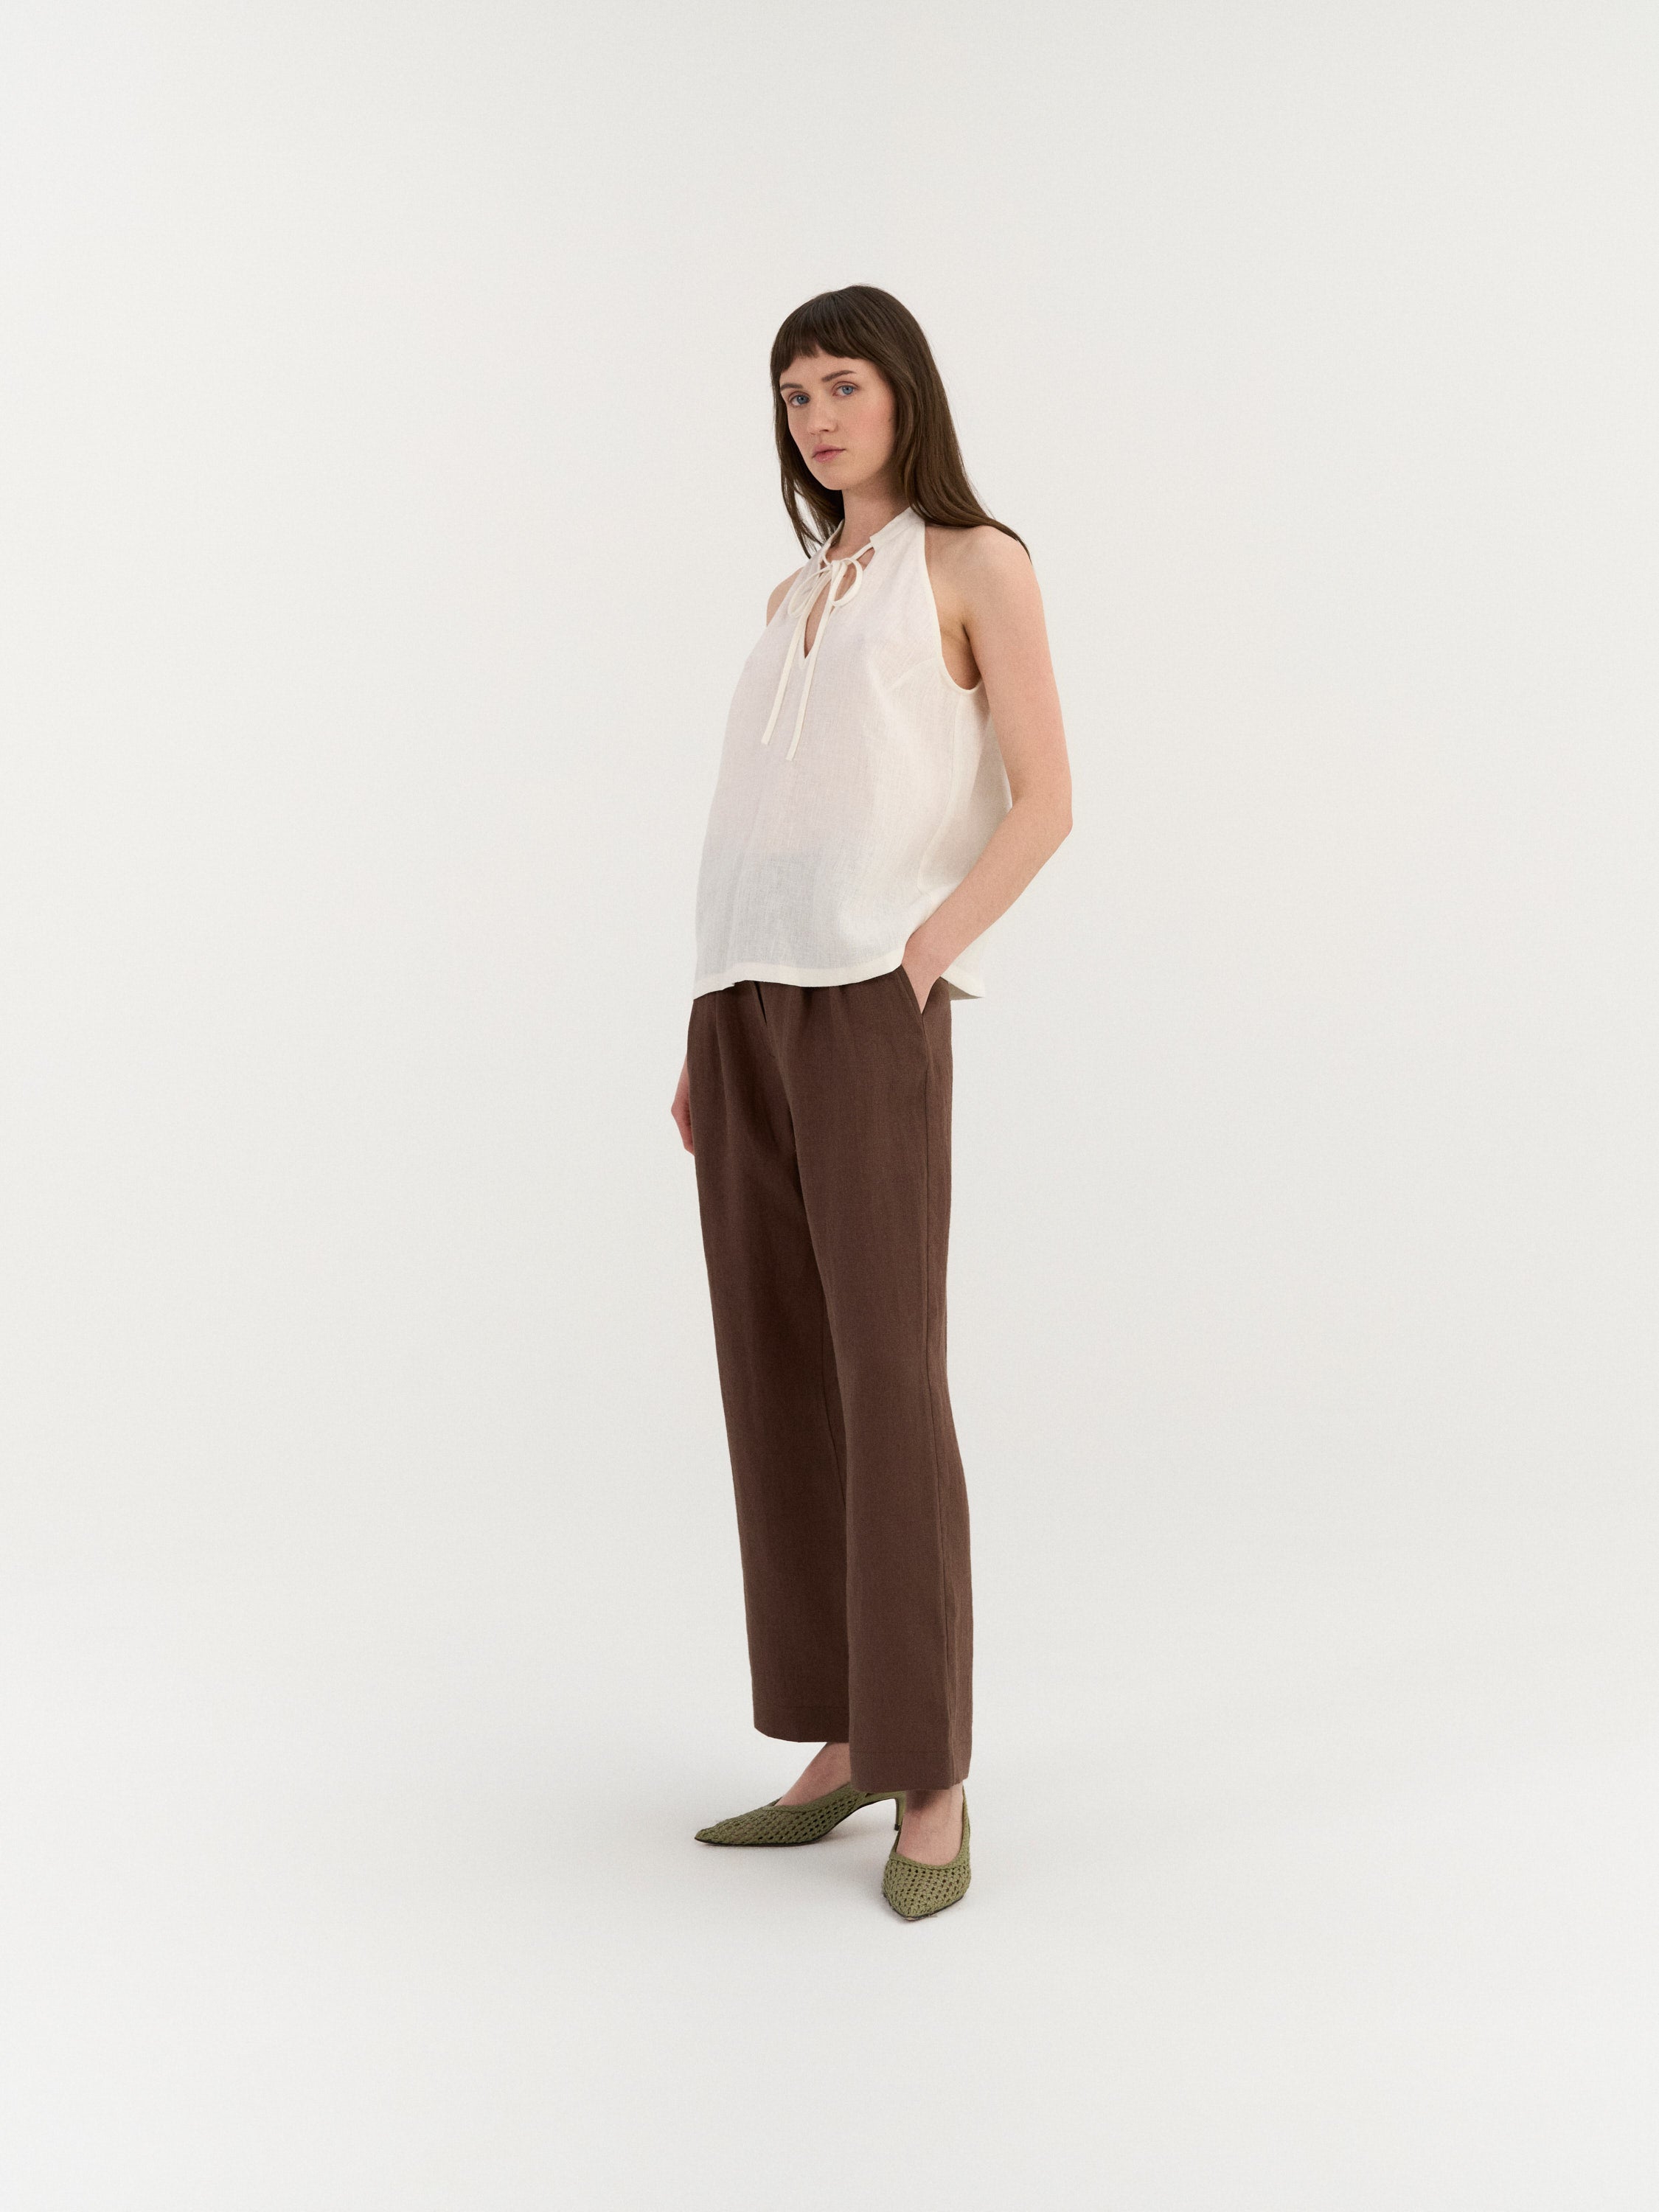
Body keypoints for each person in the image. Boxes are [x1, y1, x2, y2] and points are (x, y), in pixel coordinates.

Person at [669, 284, 1072, 1919]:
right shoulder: (792, 592)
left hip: (864, 1007)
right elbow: (756, 824)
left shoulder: (974, 564)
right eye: (794, 396)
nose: (818, 418)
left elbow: (1047, 801)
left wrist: (923, 957)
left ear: (905, 391)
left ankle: (934, 1772)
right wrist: (705, 1025)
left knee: (887, 1381)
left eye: (842, 384)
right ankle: (841, 1737)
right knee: (777, 1376)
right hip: (743, 1006)